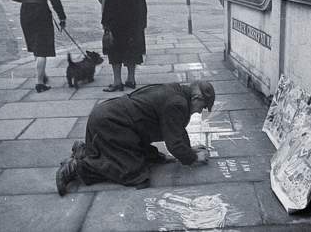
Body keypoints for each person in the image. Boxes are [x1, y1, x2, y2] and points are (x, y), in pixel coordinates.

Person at [56, 80, 215, 196]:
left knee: (148, 158)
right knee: (134, 173)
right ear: (197, 98)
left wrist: (188, 150)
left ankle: (85, 151)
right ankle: (77, 168)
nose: (200, 112)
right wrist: (193, 157)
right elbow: (174, 143)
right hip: (112, 124)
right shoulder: (177, 104)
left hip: (109, 118)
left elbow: (176, 128)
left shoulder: (178, 92)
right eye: (202, 107)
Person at [10, 0, 67, 93]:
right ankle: (40, 82)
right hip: (41, 12)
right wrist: (62, 17)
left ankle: (41, 74)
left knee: (35, 46)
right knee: (42, 48)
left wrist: (26, 0)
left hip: (26, 12)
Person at [101, 0, 147, 92]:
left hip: (117, 23)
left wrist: (105, 22)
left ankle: (117, 82)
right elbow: (142, 5)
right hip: (134, 24)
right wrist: (142, 24)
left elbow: (109, 3)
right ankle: (131, 80)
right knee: (132, 50)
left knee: (115, 52)